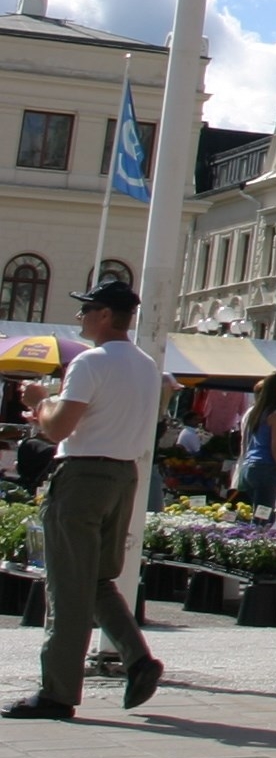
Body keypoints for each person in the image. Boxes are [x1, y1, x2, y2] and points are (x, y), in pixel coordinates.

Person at [6, 279, 164, 721]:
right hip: (123, 474)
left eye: (87, 309)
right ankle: (137, 659)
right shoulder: (147, 365)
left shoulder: (90, 363)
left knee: (68, 588)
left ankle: (58, 692)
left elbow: (57, 430)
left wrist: (41, 403)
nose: (80, 317)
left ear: (106, 315)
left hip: (82, 476)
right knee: (96, 580)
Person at [234, 371, 276, 510]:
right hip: (265, 467)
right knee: (264, 515)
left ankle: (251, 531)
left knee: (259, 513)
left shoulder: (256, 411)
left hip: (250, 467)